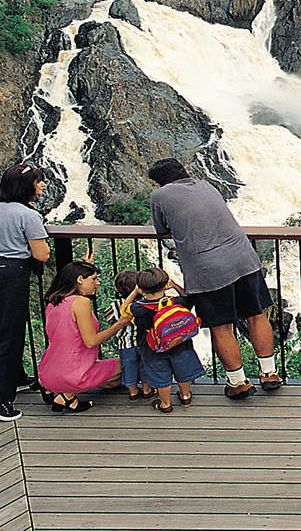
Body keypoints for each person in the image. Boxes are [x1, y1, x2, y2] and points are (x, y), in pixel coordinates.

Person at [148, 158, 281, 400]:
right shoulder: (207, 185)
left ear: (159, 183)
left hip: (208, 268)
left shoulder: (160, 196)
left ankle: (238, 382)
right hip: (243, 257)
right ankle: (269, 373)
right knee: (256, 314)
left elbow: (161, 230)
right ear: (185, 172)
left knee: (222, 327)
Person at [0, 164, 51, 422]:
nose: (42, 186)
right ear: (25, 186)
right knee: (9, 336)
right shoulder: (27, 215)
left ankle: (15, 378)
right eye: (38, 181)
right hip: (10, 274)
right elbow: (41, 254)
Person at [38, 260, 129, 412]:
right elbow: (91, 341)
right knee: (128, 364)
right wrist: (118, 325)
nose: (97, 283)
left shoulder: (53, 301)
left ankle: (58, 390)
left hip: (47, 371)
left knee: (112, 381)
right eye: (93, 279)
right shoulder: (81, 302)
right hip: (73, 374)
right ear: (80, 280)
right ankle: (67, 395)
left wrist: (84, 265)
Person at [130, 267, 206, 413]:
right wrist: (175, 285)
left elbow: (124, 309)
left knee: (161, 374)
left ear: (141, 288)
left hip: (153, 348)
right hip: (180, 343)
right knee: (182, 370)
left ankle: (165, 404)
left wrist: (135, 292)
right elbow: (188, 299)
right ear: (165, 285)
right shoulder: (177, 302)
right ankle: (185, 396)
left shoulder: (138, 308)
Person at [110, 270, 154, 401]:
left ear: (117, 290)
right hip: (144, 342)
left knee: (129, 366)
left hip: (125, 344)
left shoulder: (114, 305)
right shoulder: (144, 304)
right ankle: (147, 389)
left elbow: (111, 321)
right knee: (145, 364)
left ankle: (133, 391)